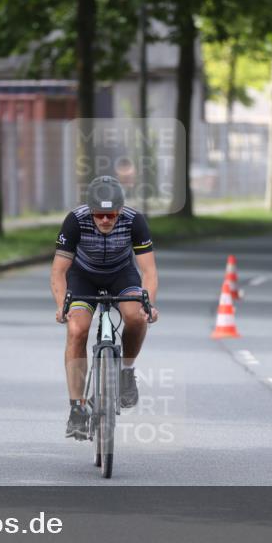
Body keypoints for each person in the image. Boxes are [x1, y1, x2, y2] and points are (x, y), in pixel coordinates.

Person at [51, 176, 159, 439]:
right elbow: (59, 271)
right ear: (91, 211)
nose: (105, 221)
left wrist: (149, 304)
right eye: (99, 215)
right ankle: (77, 409)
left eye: (110, 215)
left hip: (121, 274)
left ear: (120, 210)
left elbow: (148, 271)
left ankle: (126, 371)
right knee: (77, 329)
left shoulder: (134, 221)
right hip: (84, 276)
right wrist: (62, 306)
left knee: (136, 317)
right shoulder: (75, 220)